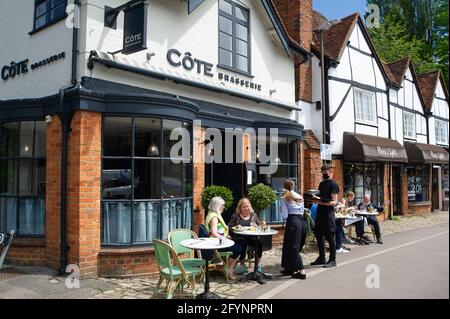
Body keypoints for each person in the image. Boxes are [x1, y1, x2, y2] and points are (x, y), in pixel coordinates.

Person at [204, 196, 247, 279]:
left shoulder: (213, 214)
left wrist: (227, 237)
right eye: (222, 205)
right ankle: (228, 270)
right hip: (217, 244)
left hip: (220, 242)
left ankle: (233, 267)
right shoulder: (214, 218)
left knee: (242, 242)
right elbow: (213, 233)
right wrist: (224, 239)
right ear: (217, 206)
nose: (223, 207)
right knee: (238, 248)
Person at [311, 164, 340, 268]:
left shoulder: (333, 184)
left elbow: (334, 202)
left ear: (330, 171)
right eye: (322, 171)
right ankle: (321, 257)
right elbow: (320, 196)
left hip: (328, 214)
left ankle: (333, 260)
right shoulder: (322, 184)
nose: (324, 173)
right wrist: (314, 198)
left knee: (330, 237)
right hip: (320, 212)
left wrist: (321, 202)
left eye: (326, 171)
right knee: (318, 235)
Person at [280, 180, 307, 279]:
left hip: (292, 222)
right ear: (294, 186)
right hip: (302, 222)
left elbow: (285, 215)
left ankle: (302, 271)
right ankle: (289, 268)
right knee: (290, 246)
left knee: (292, 247)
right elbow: (302, 211)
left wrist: (281, 210)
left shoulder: (284, 197)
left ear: (284, 186)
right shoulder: (300, 197)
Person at [228, 198, 263, 275]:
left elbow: (259, 227)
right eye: (244, 207)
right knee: (242, 243)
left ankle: (257, 265)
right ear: (240, 208)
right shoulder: (236, 216)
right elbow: (230, 227)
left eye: (248, 206)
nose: (246, 208)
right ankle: (242, 265)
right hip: (239, 237)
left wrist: (256, 226)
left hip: (251, 237)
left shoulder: (254, 215)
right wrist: (237, 227)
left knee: (259, 244)